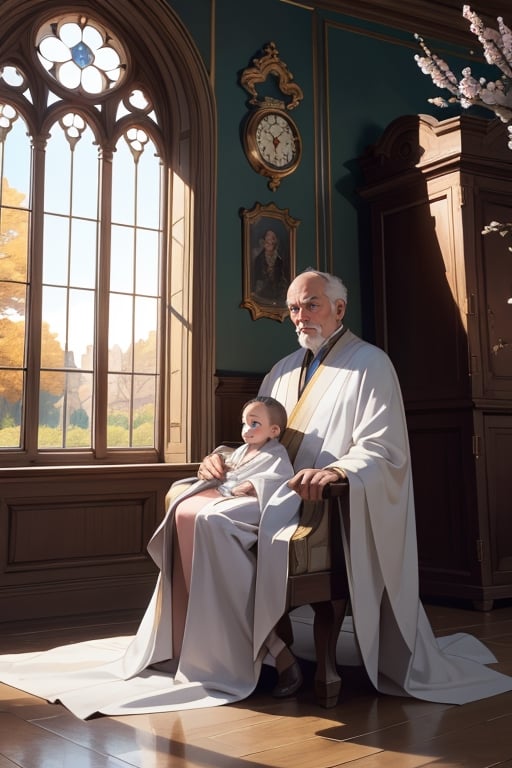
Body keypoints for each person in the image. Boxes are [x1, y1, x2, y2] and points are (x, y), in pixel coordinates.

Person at [202, 268, 512, 705]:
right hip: (273, 494)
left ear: (339, 308)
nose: (300, 315)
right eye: (293, 307)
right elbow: (262, 438)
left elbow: (383, 448)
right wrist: (226, 456)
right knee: (199, 514)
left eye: (311, 304)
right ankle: (238, 652)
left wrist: (340, 472)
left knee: (216, 524)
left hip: (324, 505)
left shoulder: (371, 363)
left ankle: (262, 650)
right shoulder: (281, 371)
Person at [0, 396, 297, 718]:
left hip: (243, 509)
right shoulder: (238, 451)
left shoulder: (275, 454)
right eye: (245, 422)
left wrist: (253, 484)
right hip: (222, 503)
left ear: (274, 429)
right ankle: (192, 646)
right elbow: (226, 466)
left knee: (210, 521)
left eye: (255, 424)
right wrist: (218, 470)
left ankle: (258, 652)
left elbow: (277, 480)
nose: (246, 429)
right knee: (186, 510)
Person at [252, 228, 288, 305]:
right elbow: (256, 278)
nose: (269, 241)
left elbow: (282, 279)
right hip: (261, 293)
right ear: (264, 242)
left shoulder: (279, 260)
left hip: (276, 294)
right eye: (267, 238)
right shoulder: (259, 259)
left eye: (272, 239)